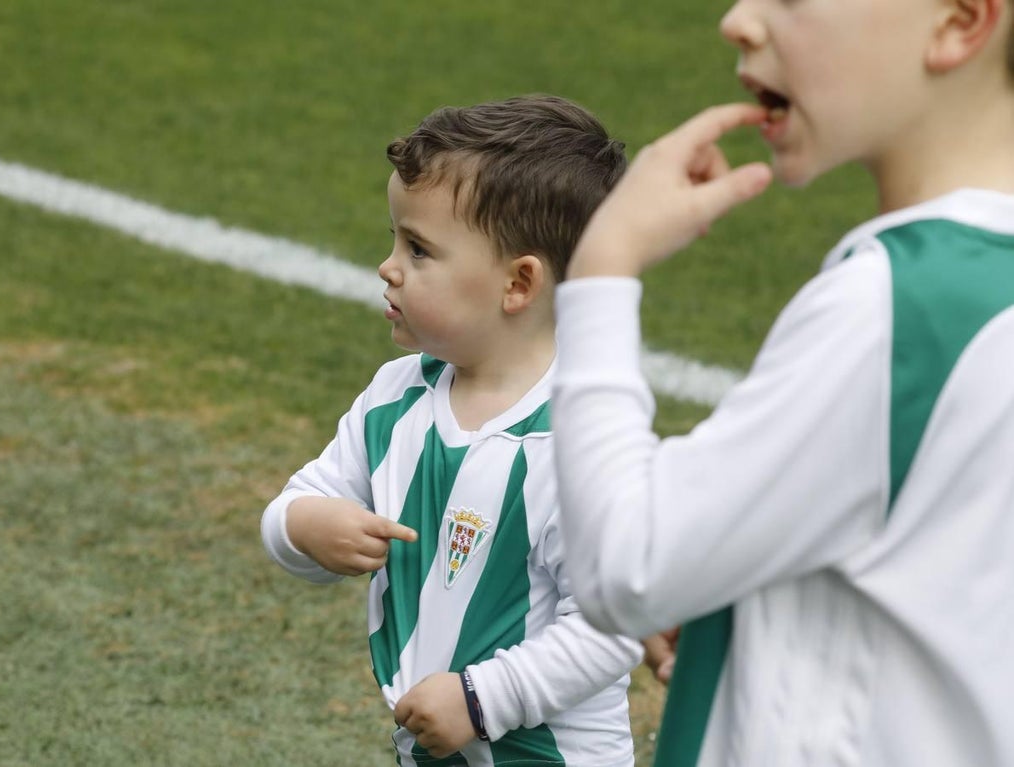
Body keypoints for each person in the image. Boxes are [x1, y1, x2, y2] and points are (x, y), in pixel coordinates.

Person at [551, 0, 1014, 764]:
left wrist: (604, 265)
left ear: (959, 23)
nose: (738, 20)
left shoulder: (899, 307)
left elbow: (625, 565)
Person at [260, 94, 645, 765]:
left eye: (419, 248)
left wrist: (478, 700)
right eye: (394, 239)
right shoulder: (395, 398)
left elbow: (610, 629)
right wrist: (304, 525)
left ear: (518, 283)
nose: (389, 266)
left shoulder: (579, 442)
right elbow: (298, 500)